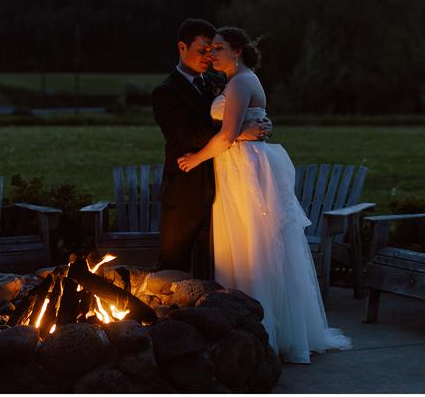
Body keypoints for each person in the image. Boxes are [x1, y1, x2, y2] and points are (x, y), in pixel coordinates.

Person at [176, 26, 352, 364]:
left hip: (246, 169)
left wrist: (195, 159)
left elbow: (228, 136)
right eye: (209, 48)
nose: (211, 54)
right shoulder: (234, 81)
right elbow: (236, 129)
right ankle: (247, 325)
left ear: (238, 50)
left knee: (255, 242)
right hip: (235, 167)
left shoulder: (242, 82)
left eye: (218, 47)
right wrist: (245, 132)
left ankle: (264, 330)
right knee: (243, 242)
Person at [151, 19, 272, 279]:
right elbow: (187, 135)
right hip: (186, 186)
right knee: (174, 263)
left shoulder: (219, 81)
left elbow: (240, 109)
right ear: (182, 47)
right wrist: (239, 132)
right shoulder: (166, 92)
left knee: (217, 266)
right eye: (203, 50)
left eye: (213, 50)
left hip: (227, 184)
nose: (209, 56)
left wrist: (256, 122)